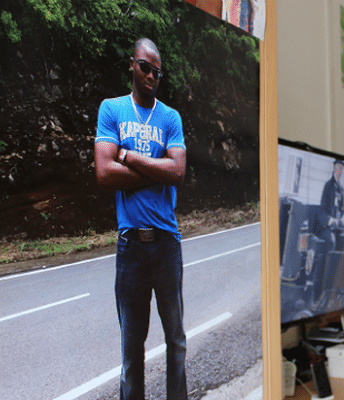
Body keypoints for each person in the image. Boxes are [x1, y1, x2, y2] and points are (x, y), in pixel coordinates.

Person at [94, 38, 188, 400]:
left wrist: (130, 158)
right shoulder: (112, 109)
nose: (152, 75)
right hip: (130, 245)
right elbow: (104, 173)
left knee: (176, 340)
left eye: (158, 71)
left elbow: (177, 171)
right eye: (145, 67)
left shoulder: (170, 117)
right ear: (131, 65)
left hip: (167, 244)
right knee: (131, 347)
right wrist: (158, 169)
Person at [317, 159, 344, 253]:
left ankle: (338, 267)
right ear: (334, 168)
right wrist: (330, 220)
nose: (340, 171)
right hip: (327, 227)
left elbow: (342, 209)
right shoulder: (328, 185)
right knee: (331, 241)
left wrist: (342, 219)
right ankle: (328, 267)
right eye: (338, 168)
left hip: (338, 227)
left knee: (343, 240)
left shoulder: (341, 189)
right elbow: (322, 210)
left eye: (341, 168)